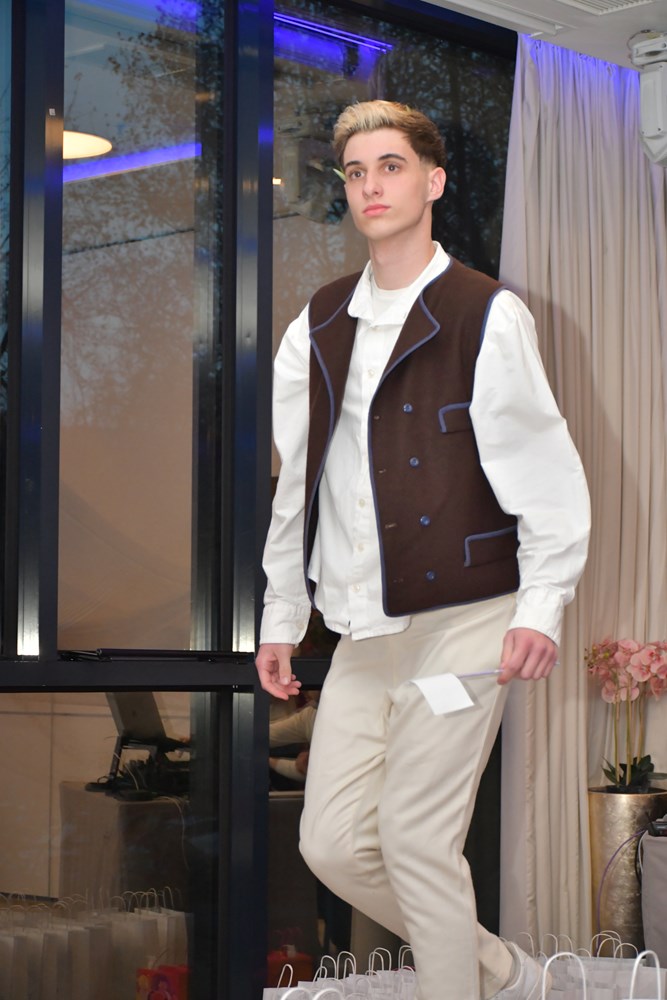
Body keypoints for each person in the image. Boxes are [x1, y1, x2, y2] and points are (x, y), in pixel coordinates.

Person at [255, 100, 590, 1000]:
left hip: (467, 619)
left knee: (413, 836)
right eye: (355, 172)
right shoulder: (316, 323)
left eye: (391, 166)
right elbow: (296, 487)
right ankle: (502, 973)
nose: (371, 185)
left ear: (432, 181)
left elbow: (546, 476)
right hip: (361, 627)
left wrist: (540, 607)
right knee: (330, 842)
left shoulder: (486, 312)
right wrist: (282, 617)